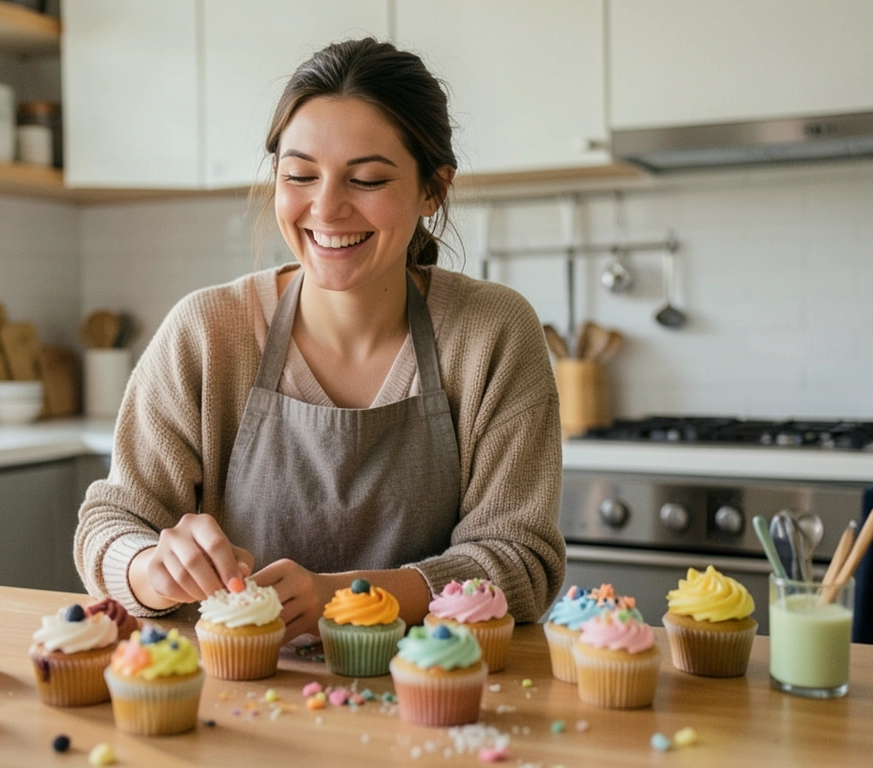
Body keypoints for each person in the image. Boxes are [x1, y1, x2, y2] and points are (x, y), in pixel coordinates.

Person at [75, 37, 565, 641]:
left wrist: (346, 598)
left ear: (433, 189)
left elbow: (521, 562)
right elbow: (110, 523)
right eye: (300, 175)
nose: (326, 209)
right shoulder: (206, 333)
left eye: (366, 180)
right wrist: (156, 570)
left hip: (441, 699)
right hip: (241, 703)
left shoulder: (493, 333)